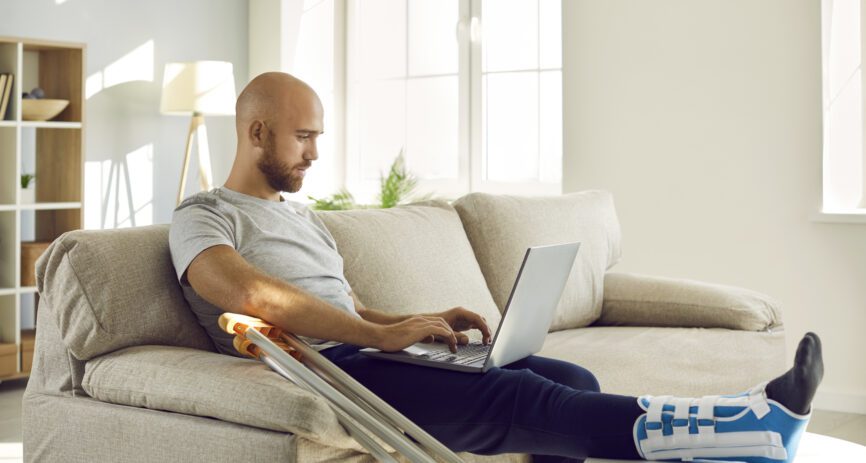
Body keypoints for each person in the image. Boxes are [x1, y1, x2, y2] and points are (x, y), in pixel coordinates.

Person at [169, 72, 824, 462]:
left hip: (367, 352)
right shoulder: (202, 214)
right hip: (331, 370)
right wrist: (379, 337)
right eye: (303, 134)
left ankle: (733, 431)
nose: (314, 151)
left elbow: (352, 304)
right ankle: (744, 427)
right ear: (256, 132)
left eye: (317, 135)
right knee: (521, 396)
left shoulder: (301, 216)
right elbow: (246, 291)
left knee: (570, 372)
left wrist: (414, 323)